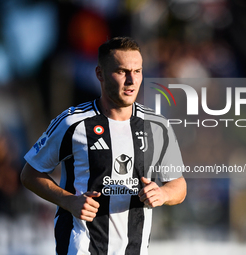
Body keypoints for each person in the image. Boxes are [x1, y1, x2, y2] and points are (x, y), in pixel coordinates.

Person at [21, 37, 187, 255]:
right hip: (81, 247)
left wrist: (163, 194)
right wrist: (68, 201)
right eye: (122, 71)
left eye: (137, 71)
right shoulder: (73, 123)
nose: (131, 80)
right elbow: (30, 174)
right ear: (100, 74)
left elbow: (179, 185)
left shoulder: (158, 126)